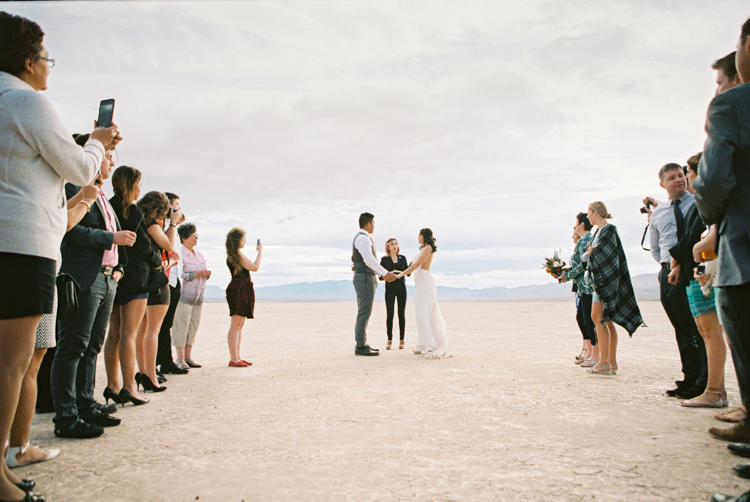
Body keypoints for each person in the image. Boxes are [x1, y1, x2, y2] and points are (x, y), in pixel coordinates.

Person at [0, 11, 119, 502]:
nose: (49, 67)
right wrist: (97, 142)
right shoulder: (26, 101)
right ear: (29, 61)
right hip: (22, 247)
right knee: (11, 364)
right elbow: (75, 165)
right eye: (47, 57)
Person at [50, 140, 135, 438]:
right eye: (108, 157)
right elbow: (70, 230)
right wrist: (111, 239)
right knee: (72, 347)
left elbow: (112, 235)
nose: (111, 163)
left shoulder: (102, 196)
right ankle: (66, 415)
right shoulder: (73, 188)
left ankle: (85, 405)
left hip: (106, 278)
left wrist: (119, 268)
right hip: (83, 277)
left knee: (92, 347)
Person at [695, 17, 750, 447]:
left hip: (743, 249)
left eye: (719, 81)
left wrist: (713, 223)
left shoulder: (734, 106)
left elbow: (712, 181)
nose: (717, 91)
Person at [668, 153, 727, 408]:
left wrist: (693, 251)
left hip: (707, 275)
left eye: (687, 173)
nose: (685, 178)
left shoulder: (703, 204)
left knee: (711, 332)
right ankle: (714, 389)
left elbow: (697, 237)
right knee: (704, 331)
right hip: (697, 274)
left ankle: (714, 391)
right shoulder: (698, 205)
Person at [106, 167, 165, 407]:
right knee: (130, 334)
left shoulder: (109, 205)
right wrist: (158, 260)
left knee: (114, 334)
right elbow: (141, 244)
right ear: (131, 185)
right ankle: (130, 387)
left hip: (116, 273)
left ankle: (113, 385)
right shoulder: (131, 209)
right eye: (139, 184)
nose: (141, 189)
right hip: (136, 276)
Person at [647, 163, 707, 398]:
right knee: (681, 328)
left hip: (694, 271)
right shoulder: (659, 213)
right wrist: (666, 266)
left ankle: (705, 382)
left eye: (681, 175)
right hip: (668, 274)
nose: (679, 180)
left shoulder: (697, 203)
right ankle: (690, 378)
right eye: (672, 178)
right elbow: (655, 247)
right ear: (663, 184)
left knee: (700, 328)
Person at [585, 202, 643, 375]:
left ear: (595, 213)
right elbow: (592, 252)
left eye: (589, 213)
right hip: (599, 280)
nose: (587, 216)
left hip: (606, 281)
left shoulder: (609, 230)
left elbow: (604, 252)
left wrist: (591, 252)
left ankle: (605, 362)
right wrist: (590, 252)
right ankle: (611, 363)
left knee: (599, 318)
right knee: (604, 320)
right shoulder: (598, 232)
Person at [134, 191, 182, 391]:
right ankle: (151, 375)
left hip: (143, 279)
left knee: (142, 329)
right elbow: (169, 245)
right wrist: (172, 224)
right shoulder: (152, 225)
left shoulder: (138, 221)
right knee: (152, 330)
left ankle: (144, 371)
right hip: (157, 279)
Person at [395, 229, 451, 359]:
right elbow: (413, 265)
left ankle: (429, 344)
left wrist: (400, 275)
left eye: (418, 235)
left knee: (423, 312)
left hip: (425, 284)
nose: (417, 238)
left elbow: (417, 264)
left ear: (422, 236)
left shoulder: (428, 248)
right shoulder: (423, 249)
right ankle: (422, 343)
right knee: (421, 312)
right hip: (420, 284)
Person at [560, 213, 598, 367]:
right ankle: (589, 352)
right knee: (582, 318)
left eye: (576, 222)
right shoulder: (582, 241)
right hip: (582, 286)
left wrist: (567, 276)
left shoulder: (586, 240)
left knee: (588, 319)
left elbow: (583, 265)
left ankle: (595, 354)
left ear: (582, 224)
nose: (574, 226)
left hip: (588, 286)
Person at [157, 193, 188, 376]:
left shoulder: (171, 228)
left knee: (166, 325)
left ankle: (166, 362)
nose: (179, 210)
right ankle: (155, 365)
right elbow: (168, 249)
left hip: (173, 279)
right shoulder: (161, 226)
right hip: (163, 278)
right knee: (158, 326)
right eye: (176, 206)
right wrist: (173, 223)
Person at [172, 223, 210, 369]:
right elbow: (180, 274)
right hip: (183, 297)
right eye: (194, 235)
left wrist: (206, 275)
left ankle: (188, 357)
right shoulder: (180, 254)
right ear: (185, 238)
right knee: (181, 326)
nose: (196, 238)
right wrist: (197, 274)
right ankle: (179, 358)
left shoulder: (198, 254)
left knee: (193, 327)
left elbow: (202, 271)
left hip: (198, 297)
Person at [225, 228, 262, 367]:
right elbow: (255, 267)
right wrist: (260, 252)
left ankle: (236, 357)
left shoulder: (234, 254)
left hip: (241, 287)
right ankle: (234, 358)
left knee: (239, 324)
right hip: (240, 287)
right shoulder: (236, 254)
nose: (245, 241)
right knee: (236, 324)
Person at [380, 238, 408, 350]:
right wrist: (388, 274)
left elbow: (408, 272)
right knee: (390, 314)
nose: (394, 246)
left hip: (401, 287)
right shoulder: (384, 260)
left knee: (401, 313)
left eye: (396, 244)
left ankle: (402, 340)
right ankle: (389, 340)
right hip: (390, 288)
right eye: (392, 244)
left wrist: (411, 266)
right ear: (388, 247)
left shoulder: (403, 258)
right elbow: (380, 276)